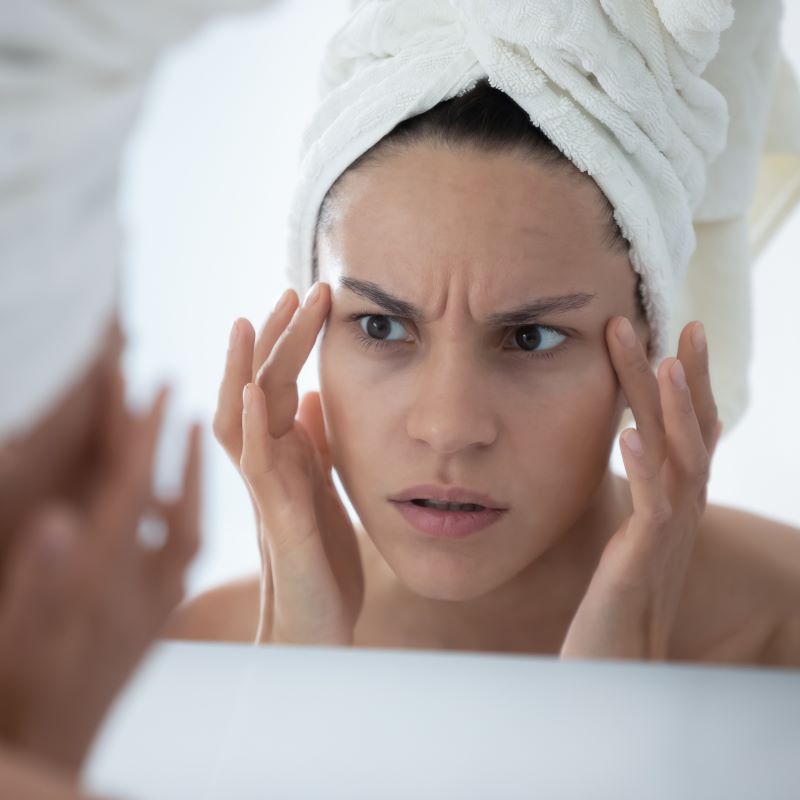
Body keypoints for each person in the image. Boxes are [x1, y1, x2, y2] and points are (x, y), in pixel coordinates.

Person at [166, 68, 800, 665]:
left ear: (651, 347)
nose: (448, 428)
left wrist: (622, 705)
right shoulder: (199, 655)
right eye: (381, 326)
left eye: (529, 337)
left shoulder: (780, 637)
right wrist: (294, 670)